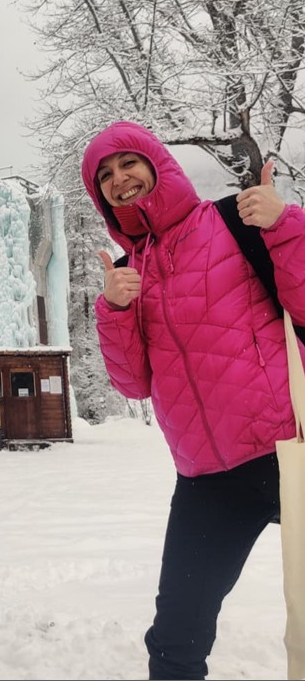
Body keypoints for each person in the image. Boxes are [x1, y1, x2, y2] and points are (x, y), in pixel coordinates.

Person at [81, 121, 305, 680]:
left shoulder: (233, 221)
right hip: (208, 478)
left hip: (291, 452)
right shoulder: (128, 274)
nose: (119, 180)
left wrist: (284, 225)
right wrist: (114, 311)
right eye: (104, 176)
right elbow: (133, 383)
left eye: (128, 163)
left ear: (156, 164)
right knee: (176, 636)